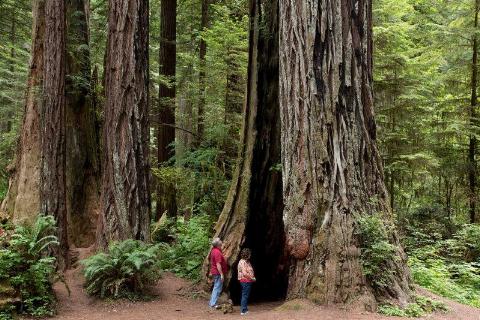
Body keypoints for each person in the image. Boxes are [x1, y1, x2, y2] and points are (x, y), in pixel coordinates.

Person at [208, 237, 227, 308]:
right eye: (220, 240)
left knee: (217, 287)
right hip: (217, 273)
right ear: (218, 244)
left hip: (215, 272)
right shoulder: (217, 252)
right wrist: (221, 274)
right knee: (217, 288)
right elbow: (218, 264)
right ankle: (213, 304)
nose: (221, 241)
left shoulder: (214, 250)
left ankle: (212, 302)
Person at [237, 248, 256, 316]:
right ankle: (243, 310)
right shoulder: (242, 262)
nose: (250, 255)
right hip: (245, 280)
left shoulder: (246, 261)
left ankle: (245, 309)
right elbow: (244, 273)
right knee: (245, 295)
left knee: (246, 295)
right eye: (249, 254)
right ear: (247, 255)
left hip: (247, 280)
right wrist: (252, 278)